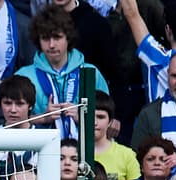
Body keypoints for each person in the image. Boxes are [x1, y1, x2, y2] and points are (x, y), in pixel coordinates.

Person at [13, 4, 107, 140]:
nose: (51, 45)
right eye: (45, 38)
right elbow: (12, 123)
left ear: (68, 38)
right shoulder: (24, 76)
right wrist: (43, 118)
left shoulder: (91, 73)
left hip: (84, 154)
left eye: (57, 37)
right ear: (38, 40)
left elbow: (108, 120)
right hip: (37, 155)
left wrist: (82, 117)